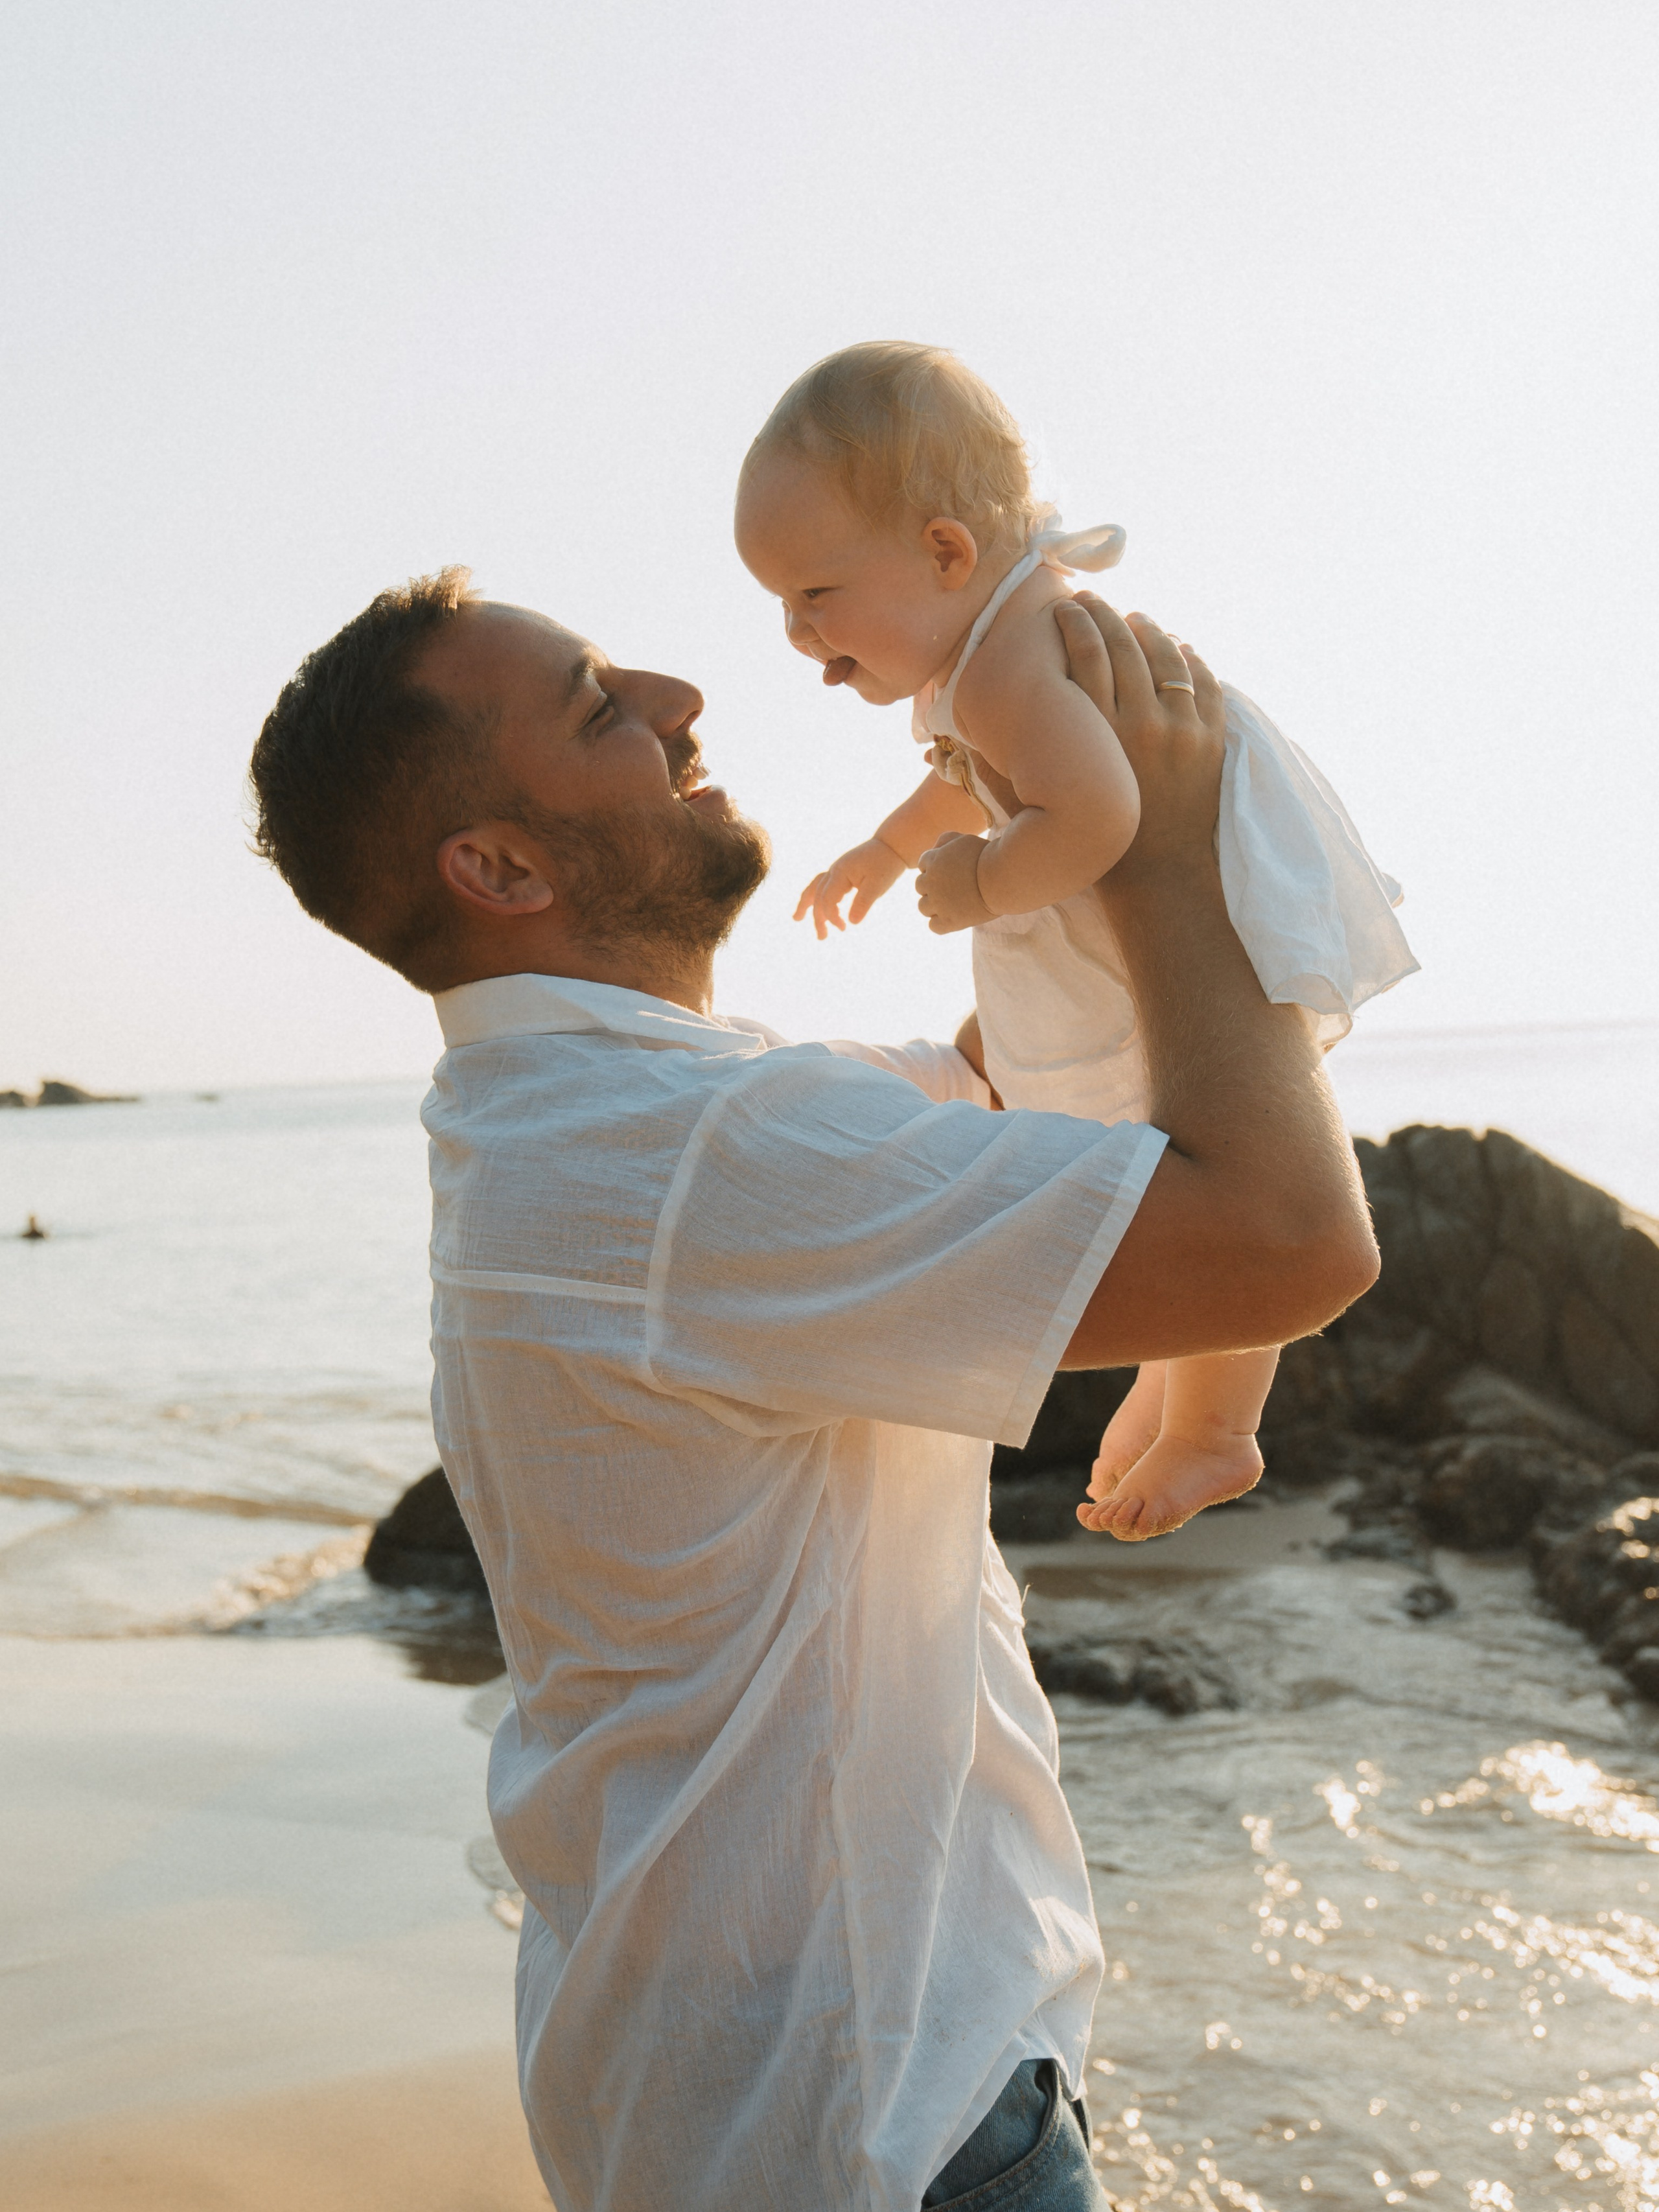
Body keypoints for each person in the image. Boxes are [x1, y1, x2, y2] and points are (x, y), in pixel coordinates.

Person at [248, 565, 1376, 2212]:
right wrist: (1164, 831)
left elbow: (1016, 1085)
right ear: (496, 865)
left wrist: (1047, 796)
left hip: (733, 2095)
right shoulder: (691, 1156)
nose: (678, 702)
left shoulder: (573, 1122)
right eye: (595, 707)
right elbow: (1285, 1240)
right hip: (876, 2127)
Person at [735, 342, 1416, 1541]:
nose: (796, 633)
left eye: (816, 595)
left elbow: (1096, 813)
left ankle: (1216, 1427)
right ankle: (1190, 1378)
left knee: (1178, 1133)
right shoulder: (984, 657)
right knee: (1160, 1132)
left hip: (1171, 877)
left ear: (946, 550)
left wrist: (984, 885)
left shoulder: (1006, 664)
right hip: (1158, 882)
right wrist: (890, 852)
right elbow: (975, 780)